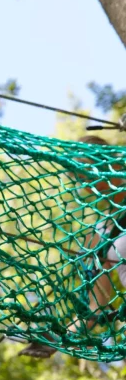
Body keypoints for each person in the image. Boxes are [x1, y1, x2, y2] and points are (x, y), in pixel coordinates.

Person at [20, 135, 126, 357]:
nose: (86, 182)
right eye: (78, 178)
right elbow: (94, 309)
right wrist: (58, 341)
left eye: (86, 169)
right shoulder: (102, 233)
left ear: (109, 158)